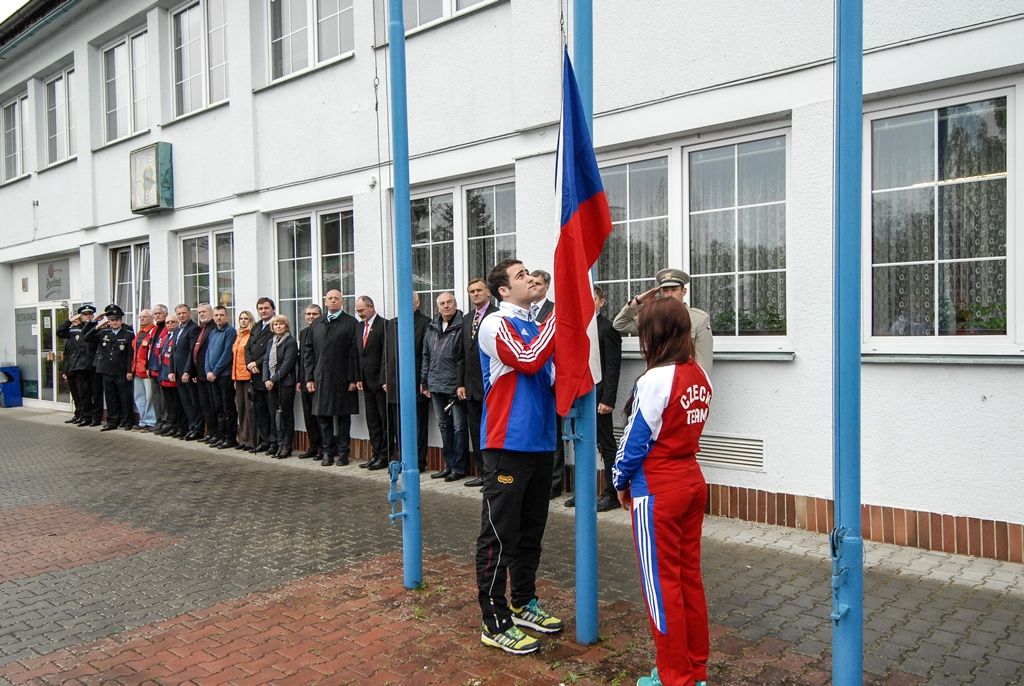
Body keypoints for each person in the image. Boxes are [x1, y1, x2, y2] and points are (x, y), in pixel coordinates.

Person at [613, 297, 713, 686]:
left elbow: (634, 441)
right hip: (691, 481)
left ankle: (675, 678)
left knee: (661, 588)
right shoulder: (700, 375)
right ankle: (694, 669)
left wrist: (620, 481)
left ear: (652, 334)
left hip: (657, 489)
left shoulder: (654, 379)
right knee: (689, 580)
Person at [475, 259, 562, 655]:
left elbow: (553, 376)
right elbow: (527, 358)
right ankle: (494, 623)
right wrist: (562, 319)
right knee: (499, 534)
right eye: (520, 275)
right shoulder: (496, 322)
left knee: (530, 532)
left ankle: (524, 602)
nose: (530, 278)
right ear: (503, 291)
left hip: (541, 443)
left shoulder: (537, 324)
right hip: (507, 442)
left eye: (531, 272)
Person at [565, 286, 622, 512]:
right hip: (580, 397)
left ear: (601, 302)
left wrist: (608, 399)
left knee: (606, 446)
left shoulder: (607, 329)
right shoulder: (578, 328)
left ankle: (613, 493)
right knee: (582, 444)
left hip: (599, 400)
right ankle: (584, 492)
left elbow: (612, 368)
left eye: (593, 299)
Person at [613, 267, 713, 374]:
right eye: (666, 290)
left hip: (682, 383)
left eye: (674, 290)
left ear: (683, 291)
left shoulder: (699, 319)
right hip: (654, 382)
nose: (669, 294)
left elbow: (703, 364)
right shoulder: (653, 316)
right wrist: (638, 301)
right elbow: (619, 324)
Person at [302, 289, 360, 467]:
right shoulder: (317, 323)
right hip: (321, 378)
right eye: (330, 298)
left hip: (343, 378)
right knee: (323, 416)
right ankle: (327, 452)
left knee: (343, 417)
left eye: (337, 298)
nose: (333, 301)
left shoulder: (351, 323)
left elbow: (354, 353)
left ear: (342, 302)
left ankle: (343, 453)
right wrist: (309, 378)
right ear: (325, 302)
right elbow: (308, 352)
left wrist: (353, 378)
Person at [456, 278, 498, 488]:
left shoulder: (497, 316)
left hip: (492, 386)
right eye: (471, 291)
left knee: (492, 432)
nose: (475, 294)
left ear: (488, 292)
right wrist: (461, 383)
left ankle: (493, 475)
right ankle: (482, 472)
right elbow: (462, 354)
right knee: (476, 430)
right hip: (471, 387)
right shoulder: (466, 319)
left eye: (479, 290)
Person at [381, 293, 430, 470]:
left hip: (416, 383)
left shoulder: (425, 323)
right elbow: (386, 354)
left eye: (410, 302)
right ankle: (403, 459)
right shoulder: (392, 324)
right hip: (394, 383)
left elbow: (426, 355)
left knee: (418, 426)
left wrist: (425, 381)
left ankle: (419, 461)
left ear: (417, 303)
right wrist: (385, 378)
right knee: (398, 425)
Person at [421, 291, 466, 482]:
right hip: (436, 385)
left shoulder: (462, 326)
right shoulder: (431, 328)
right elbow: (426, 356)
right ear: (437, 307)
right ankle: (448, 465)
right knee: (443, 426)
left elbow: (462, 359)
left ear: (455, 304)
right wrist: (424, 382)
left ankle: (459, 467)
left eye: (449, 302)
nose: (446, 306)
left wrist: (461, 384)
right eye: (442, 303)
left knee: (458, 428)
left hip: (455, 387)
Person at [530, 269, 566, 499]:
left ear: (547, 287)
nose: (533, 287)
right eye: (530, 283)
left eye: (538, 284)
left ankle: (554, 482)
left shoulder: (554, 310)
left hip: (551, 379)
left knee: (553, 433)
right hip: (531, 379)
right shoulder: (523, 312)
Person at [84, 304, 135, 431]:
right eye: (112, 320)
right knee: (110, 397)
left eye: (117, 320)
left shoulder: (128, 333)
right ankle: (113, 421)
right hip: (106, 370)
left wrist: (129, 370)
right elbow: (87, 337)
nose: (114, 322)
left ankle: (127, 420)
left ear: (121, 320)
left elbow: (130, 355)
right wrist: (98, 325)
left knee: (124, 397)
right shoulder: (103, 332)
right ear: (109, 321)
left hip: (121, 370)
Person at [355, 295, 389, 471]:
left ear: (371, 307)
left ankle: (385, 455)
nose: (359, 314)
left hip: (379, 382)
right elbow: (358, 354)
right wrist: (358, 378)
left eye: (361, 310)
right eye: (357, 311)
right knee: (372, 421)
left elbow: (386, 354)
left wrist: (384, 378)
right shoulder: (360, 326)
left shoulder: (384, 325)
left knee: (384, 420)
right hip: (366, 382)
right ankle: (376, 453)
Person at [262, 315, 299, 459]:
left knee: (286, 415)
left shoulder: (290, 342)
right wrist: (266, 379)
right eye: (275, 324)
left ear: (286, 326)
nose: (278, 326)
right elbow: (266, 361)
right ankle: (279, 443)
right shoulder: (271, 341)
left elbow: (287, 365)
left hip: (285, 384)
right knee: (274, 414)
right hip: (271, 384)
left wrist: (273, 379)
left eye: (281, 324)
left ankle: (287, 446)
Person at [56, 305, 98, 425]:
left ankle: (88, 416)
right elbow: (60, 332)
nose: (88, 316)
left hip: (88, 367)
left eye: (90, 314)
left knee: (87, 393)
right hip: (73, 366)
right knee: (77, 393)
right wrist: (69, 321)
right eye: (85, 314)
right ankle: (79, 414)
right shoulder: (74, 329)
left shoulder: (95, 327)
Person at [245, 297, 277, 453]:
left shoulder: (276, 325)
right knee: (260, 409)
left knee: (271, 411)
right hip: (255, 375)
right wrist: (250, 364)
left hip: (268, 375)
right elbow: (247, 348)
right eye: (260, 308)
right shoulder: (256, 326)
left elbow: (272, 350)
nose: (263, 311)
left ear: (273, 309)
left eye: (266, 308)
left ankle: (273, 442)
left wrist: (257, 363)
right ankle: (264, 440)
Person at [205, 305, 237, 449]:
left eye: (222, 315)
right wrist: (208, 370)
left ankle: (230, 438)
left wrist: (216, 371)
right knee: (217, 407)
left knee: (227, 408)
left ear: (227, 316)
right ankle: (221, 435)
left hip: (223, 376)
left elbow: (227, 354)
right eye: (216, 315)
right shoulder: (212, 333)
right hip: (212, 376)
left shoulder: (230, 332)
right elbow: (207, 353)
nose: (219, 318)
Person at [170, 304, 202, 440]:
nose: (181, 315)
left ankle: (197, 428)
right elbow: (173, 351)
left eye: (184, 313)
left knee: (193, 402)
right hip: (178, 371)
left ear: (189, 313)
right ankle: (190, 426)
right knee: (185, 402)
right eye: (179, 313)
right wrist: (172, 370)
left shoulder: (193, 329)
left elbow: (191, 352)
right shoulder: (178, 330)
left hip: (187, 373)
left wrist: (187, 371)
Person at [296, 304, 323, 459]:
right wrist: (301, 379)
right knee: (308, 416)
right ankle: (313, 445)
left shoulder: (322, 330)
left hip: (318, 381)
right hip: (305, 380)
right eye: (308, 314)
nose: (311, 317)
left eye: (314, 314)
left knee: (319, 415)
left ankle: (322, 447)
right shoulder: (304, 332)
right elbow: (302, 358)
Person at [155, 316, 186, 438]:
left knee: (177, 405)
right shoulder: (166, 337)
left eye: (172, 322)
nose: (170, 324)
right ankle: (173, 426)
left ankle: (179, 427)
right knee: (170, 405)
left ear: (177, 323)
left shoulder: (178, 336)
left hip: (173, 377)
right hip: (164, 376)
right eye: (167, 322)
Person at [191, 303, 218, 443]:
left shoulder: (214, 328)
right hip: (200, 373)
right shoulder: (202, 328)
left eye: (204, 312)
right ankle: (210, 432)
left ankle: (215, 433)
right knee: (205, 405)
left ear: (211, 312)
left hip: (211, 373)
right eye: (199, 312)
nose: (201, 314)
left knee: (213, 405)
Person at [129, 308, 157, 431]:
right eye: (140, 317)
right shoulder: (139, 333)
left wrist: (149, 368)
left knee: (150, 397)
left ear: (151, 318)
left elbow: (153, 353)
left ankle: (151, 422)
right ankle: (143, 420)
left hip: (146, 372)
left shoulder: (153, 332)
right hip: (137, 371)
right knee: (139, 398)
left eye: (144, 317)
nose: (141, 319)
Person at [232, 310, 255, 450]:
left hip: (247, 376)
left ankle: (251, 440)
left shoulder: (251, 336)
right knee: (240, 409)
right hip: (237, 376)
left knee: (249, 410)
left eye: (246, 318)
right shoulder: (238, 336)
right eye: (241, 318)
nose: (243, 321)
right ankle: (242, 438)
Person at [148, 304, 169, 432]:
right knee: (155, 397)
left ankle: (166, 421)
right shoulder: (154, 329)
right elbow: (150, 349)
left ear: (165, 314)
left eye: (160, 313)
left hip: (163, 369)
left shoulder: (168, 328)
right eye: (155, 314)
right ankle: (159, 420)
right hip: (153, 368)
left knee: (164, 398)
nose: (157, 316)